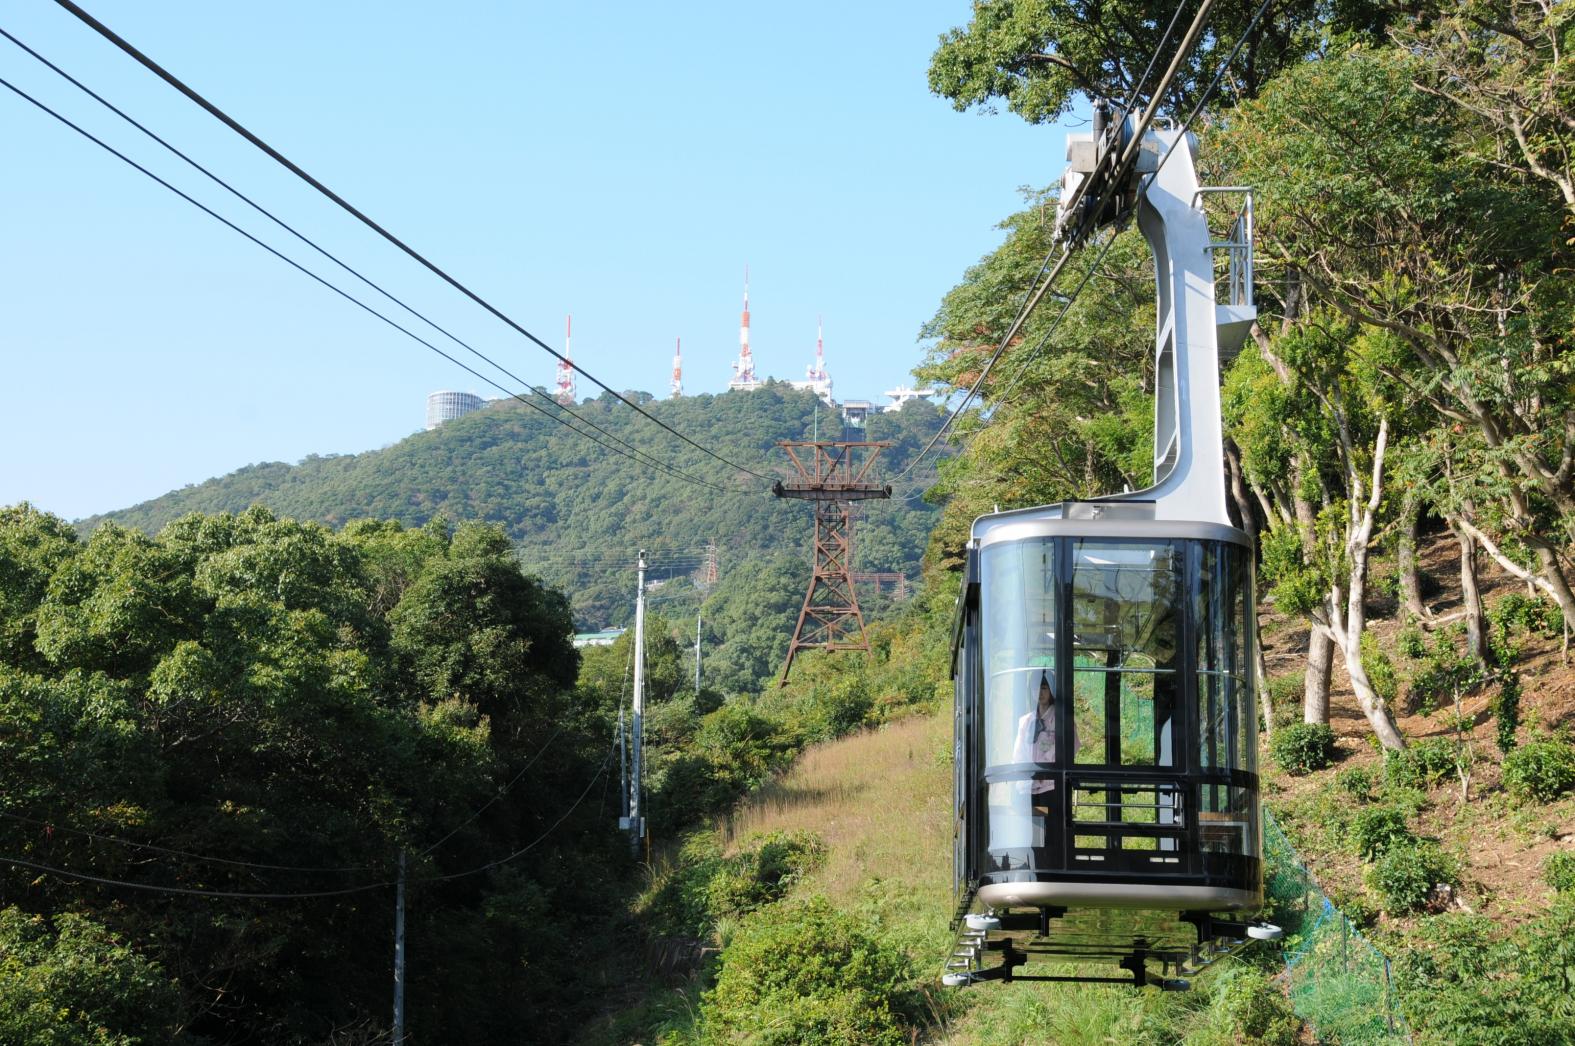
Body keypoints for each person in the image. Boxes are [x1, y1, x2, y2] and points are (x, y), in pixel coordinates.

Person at [1012, 672, 1058, 794]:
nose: (1039, 692)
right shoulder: (1025, 721)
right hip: (1026, 788)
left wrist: (1042, 772)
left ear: (1051, 690)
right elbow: (1018, 755)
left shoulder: (1061, 721)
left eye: (1043, 688)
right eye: (1035, 688)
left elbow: (1068, 751)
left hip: (1051, 786)